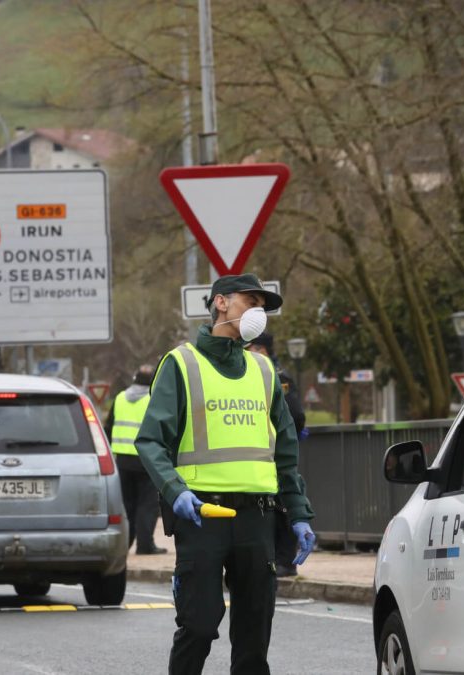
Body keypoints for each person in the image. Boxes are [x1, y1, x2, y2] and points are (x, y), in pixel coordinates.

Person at [135, 273, 316, 675]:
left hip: (258, 518)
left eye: (262, 307)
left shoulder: (264, 371)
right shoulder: (181, 364)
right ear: (220, 302)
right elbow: (150, 441)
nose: (258, 313)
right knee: (198, 627)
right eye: (250, 302)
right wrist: (175, 490)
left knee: (254, 639)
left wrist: (299, 514)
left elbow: (285, 451)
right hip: (201, 515)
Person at [246, 332, 304, 577]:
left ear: (260, 349)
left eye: (248, 348)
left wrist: (284, 443)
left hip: (275, 455)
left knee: (282, 507)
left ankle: (286, 561)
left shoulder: (277, 378)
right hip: (260, 456)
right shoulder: (255, 375)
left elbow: (294, 415)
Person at [104, 364, 166, 555]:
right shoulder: (153, 398)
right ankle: (145, 546)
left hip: (123, 460)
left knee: (128, 505)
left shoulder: (120, 397)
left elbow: (108, 427)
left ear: (134, 378)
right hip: (146, 459)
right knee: (147, 505)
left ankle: (125, 544)